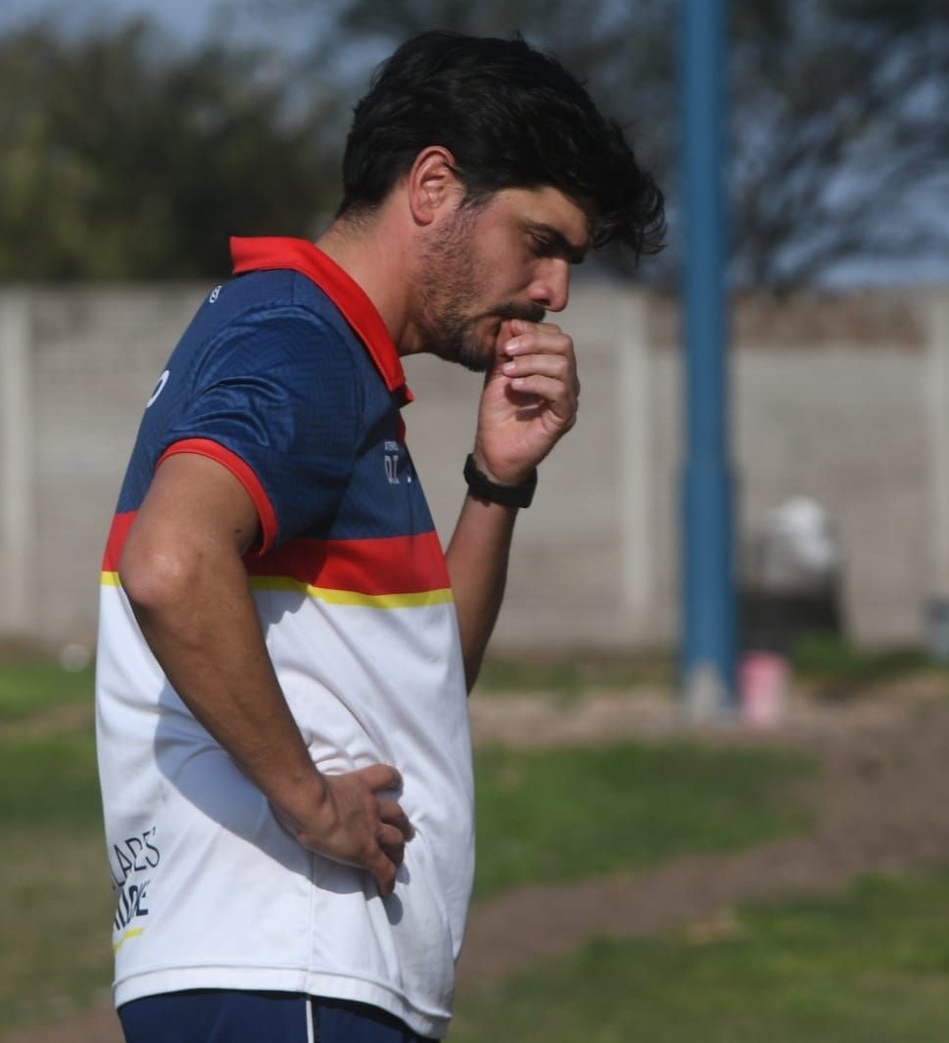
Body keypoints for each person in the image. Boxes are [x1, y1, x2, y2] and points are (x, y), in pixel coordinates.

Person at [94, 31, 664, 1043]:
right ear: (435, 185)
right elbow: (171, 563)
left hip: (289, 976)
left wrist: (497, 481)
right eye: (540, 241)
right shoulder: (300, 337)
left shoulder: (326, 355)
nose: (554, 291)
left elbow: (423, 682)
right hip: (285, 969)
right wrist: (311, 804)